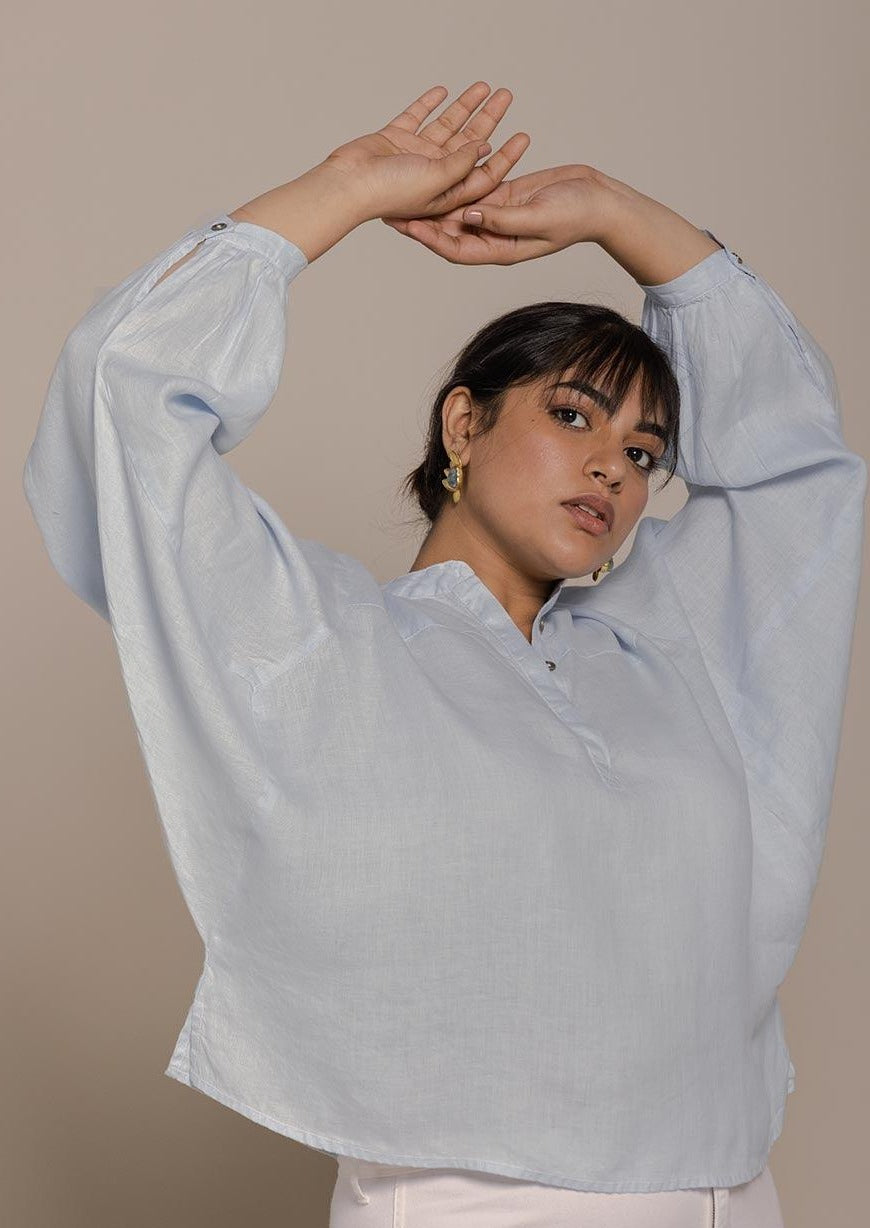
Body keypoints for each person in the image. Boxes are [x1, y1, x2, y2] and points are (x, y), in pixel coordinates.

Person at [22, 82, 865, 1227]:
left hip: (734, 1185)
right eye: (573, 415)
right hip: (483, 1199)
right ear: (464, 424)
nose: (614, 467)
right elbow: (122, 406)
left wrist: (620, 215)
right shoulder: (324, 643)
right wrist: (351, 187)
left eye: (643, 446)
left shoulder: (668, 649)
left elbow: (799, 479)